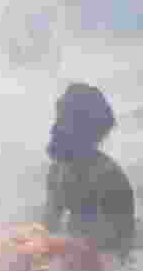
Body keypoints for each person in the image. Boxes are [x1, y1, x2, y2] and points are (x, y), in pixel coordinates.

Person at [43, 82, 136, 256]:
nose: (53, 129)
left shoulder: (109, 179)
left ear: (83, 131)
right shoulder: (57, 171)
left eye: (63, 121)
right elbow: (47, 231)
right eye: (57, 119)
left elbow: (118, 252)